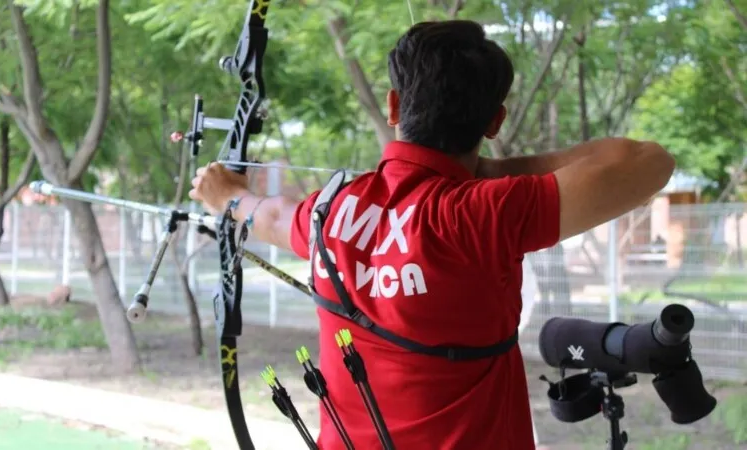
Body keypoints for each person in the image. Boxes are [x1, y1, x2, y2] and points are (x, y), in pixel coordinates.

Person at [189, 20, 675, 450]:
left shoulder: (331, 209)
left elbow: (270, 215)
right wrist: (496, 173)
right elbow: (648, 161)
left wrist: (226, 196)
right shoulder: (482, 213)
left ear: (394, 106)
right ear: (495, 122)